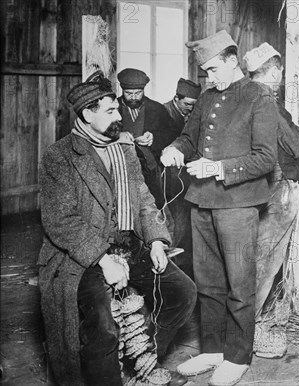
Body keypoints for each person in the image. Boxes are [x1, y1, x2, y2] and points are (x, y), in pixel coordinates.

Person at [38, 72, 196, 386]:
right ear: (87, 114)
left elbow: (142, 197)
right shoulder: (59, 157)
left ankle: (142, 360)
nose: (119, 115)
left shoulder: (123, 149)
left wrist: (154, 240)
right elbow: (61, 221)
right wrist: (104, 260)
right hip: (83, 258)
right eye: (110, 111)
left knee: (182, 293)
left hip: (129, 247)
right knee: (104, 327)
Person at [160, 30, 278, 386]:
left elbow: (265, 159)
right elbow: (188, 136)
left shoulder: (258, 96)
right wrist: (177, 149)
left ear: (231, 60)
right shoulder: (209, 97)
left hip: (238, 204)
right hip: (201, 201)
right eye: (205, 73)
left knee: (239, 285)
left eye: (213, 70)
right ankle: (211, 350)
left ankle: (238, 356)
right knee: (208, 282)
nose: (209, 79)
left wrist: (218, 168)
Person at [244, 42, 299, 359]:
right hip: (276, 190)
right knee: (266, 259)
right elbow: (298, 145)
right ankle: (251, 329)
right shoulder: (267, 103)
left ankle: (249, 321)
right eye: (280, 72)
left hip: (249, 191)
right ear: (275, 71)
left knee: (254, 256)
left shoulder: (238, 98)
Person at [117, 68, 177, 208]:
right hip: (120, 168)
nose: (133, 97)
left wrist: (154, 138)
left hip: (150, 171)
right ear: (122, 90)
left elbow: (173, 132)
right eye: (128, 93)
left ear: (144, 90)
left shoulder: (156, 108)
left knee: (152, 206)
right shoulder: (112, 108)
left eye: (138, 93)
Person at [162, 78, 202, 276]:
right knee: (174, 222)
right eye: (187, 104)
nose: (190, 109)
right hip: (168, 182)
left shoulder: (192, 115)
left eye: (194, 106)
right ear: (176, 98)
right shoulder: (162, 113)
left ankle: (183, 268)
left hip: (187, 180)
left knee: (186, 223)